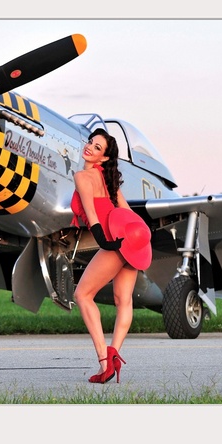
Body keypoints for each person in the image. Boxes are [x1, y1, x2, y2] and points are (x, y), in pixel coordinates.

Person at [71, 128, 152, 384]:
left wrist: (106, 242)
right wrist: (141, 240)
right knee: (123, 300)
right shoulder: (109, 181)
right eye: (90, 142)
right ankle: (115, 353)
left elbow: (92, 215)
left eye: (97, 148)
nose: (89, 148)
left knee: (82, 295)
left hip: (114, 242)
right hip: (130, 240)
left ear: (103, 158)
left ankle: (104, 361)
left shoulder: (83, 176)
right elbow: (128, 213)